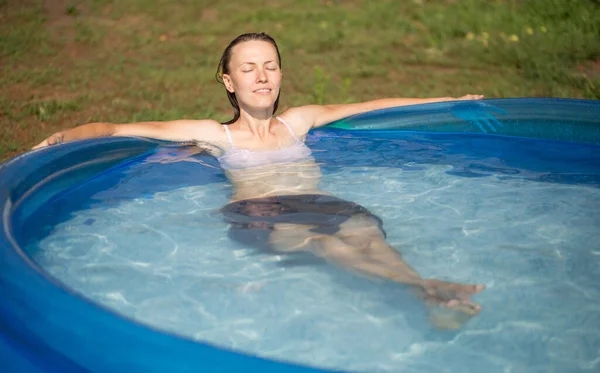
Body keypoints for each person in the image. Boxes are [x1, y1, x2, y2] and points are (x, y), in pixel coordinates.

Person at [33, 32, 485, 327]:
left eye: (269, 65)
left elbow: (374, 107)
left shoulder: (297, 121)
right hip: (262, 214)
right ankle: (424, 290)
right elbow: (114, 129)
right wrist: (60, 138)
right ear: (229, 82)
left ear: (281, 75)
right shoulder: (217, 135)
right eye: (248, 68)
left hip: (322, 202)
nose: (261, 75)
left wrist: (447, 99)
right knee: (328, 244)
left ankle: (428, 293)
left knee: (370, 239)